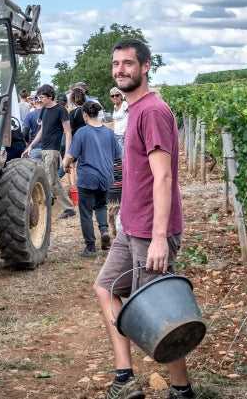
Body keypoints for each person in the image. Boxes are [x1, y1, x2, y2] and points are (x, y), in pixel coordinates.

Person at [94, 39, 194, 399]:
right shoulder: (134, 109)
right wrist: (125, 214)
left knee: (161, 314)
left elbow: (163, 177)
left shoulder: (152, 111)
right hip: (131, 226)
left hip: (152, 231)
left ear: (146, 66)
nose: (120, 70)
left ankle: (182, 391)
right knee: (105, 289)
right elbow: (140, 175)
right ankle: (125, 379)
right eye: (116, 64)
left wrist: (158, 238)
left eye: (128, 64)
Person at [62, 100, 120, 257]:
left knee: (86, 212)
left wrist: (65, 164)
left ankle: (90, 248)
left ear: (85, 114)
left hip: (88, 178)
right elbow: (118, 154)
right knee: (101, 206)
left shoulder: (82, 132)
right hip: (106, 177)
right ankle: (104, 231)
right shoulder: (109, 132)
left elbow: (71, 156)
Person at [22, 84, 75, 219]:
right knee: (55, 180)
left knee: (47, 180)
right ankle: (69, 208)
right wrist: (30, 146)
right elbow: (41, 131)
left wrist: (67, 154)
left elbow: (68, 132)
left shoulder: (61, 110)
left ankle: (43, 214)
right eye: (39, 97)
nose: (40, 100)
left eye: (42, 97)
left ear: (50, 96)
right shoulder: (44, 110)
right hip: (43, 148)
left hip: (53, 150)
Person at [22, 95, 43, 161]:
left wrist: (28, 143)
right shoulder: (49, 113)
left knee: (34, 170)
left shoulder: (30, 115)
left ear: (34, 102)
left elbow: (25, 133)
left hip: (34, 148)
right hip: (48, 148)